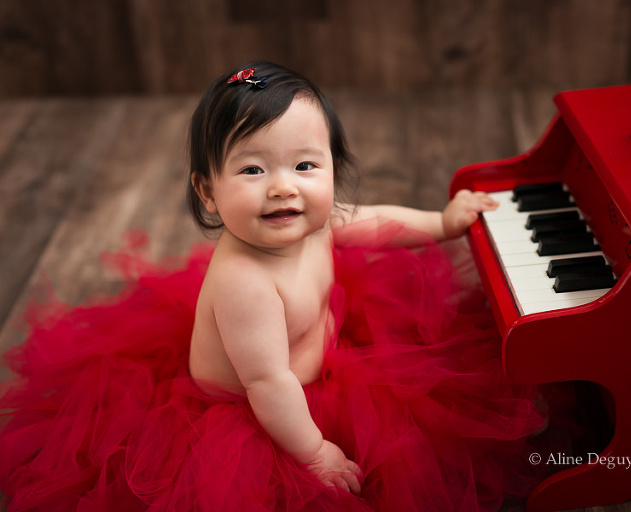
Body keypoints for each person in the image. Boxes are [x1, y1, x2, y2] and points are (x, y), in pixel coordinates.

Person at [0, 61, 547, 511]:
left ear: (332, 168)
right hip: (263, 406)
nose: (283, 187)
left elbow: (374, 220)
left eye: (305, 165)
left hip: (312, 361)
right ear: (207, 191)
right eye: (252, 170)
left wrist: (443, 223)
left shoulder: (318, 219)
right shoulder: (246, 283)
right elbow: (267, 383)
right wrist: (313, 453)